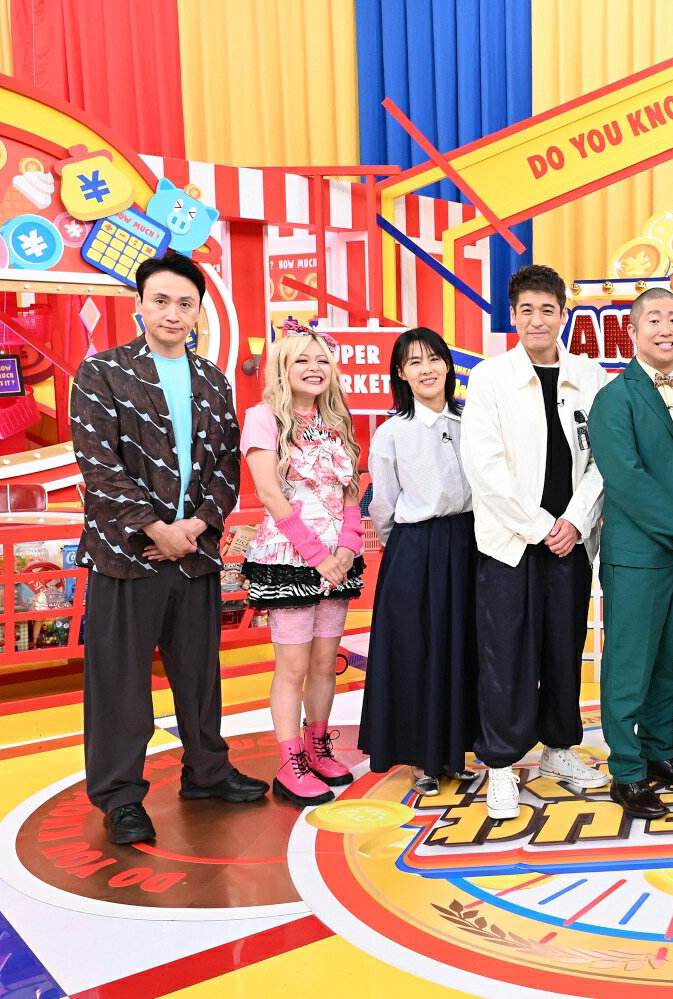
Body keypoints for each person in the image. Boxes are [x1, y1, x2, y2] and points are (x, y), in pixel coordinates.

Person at [71, 250, 267, 845]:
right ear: (139, 304)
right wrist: (157, 528)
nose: (173, 313)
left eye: (186, 303)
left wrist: (197, 526)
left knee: (200, 676)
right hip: (126, 555)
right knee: (120, 683)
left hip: (195, 554)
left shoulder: (212, 380)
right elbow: (99, 466)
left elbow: (227, 465)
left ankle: (206, 771)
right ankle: (120, 796)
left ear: (199, 312)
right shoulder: (102, 372)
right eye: (161, 300)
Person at [461, 265, 609, 820]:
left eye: (548, 309)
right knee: (505, 652)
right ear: (513, 316)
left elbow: (602, 460)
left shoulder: (589, 375)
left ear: (564, 314)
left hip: (571, 541)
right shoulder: (490, 378)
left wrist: (573, 521)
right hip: (509, 542)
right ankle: (501, 764)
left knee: (563, 647)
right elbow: (485, 467)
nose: (538, 320)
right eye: (527, 310)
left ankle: (558, 749)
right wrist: (541, 525)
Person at [588, 287, 673, 819]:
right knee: (630, 663)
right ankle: (626, 771)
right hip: (637, 555)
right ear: (633, 331)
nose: (666, 329)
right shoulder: (614, 398)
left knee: (668, 658)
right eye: (655, 320)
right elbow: (625, 477)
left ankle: (659, 752)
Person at [242, 320, 366, 807]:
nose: (314, 369)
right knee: (292, 666)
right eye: (302, 360)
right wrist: (317, 556)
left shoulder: (337, 420)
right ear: (282, 368)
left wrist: (348, 546)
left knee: (324, 664)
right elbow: (269, 494)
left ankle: (318, 747)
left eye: (322, 361)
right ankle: (289, 762)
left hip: (338, 561)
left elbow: (352, 490)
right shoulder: (263, 418)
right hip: (291, 559)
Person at [358, 328, 478, 798]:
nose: (426, 369)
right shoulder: (392, 432)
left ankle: (456, 753)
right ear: (401, 373)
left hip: (469, 543)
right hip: (415, 548)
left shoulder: (471, 421)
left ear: (448, 365)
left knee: (463, 648)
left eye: (434, 358)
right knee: (417, 650)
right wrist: (409, 548)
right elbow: (383, 504)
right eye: (414, 362)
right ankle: (421, 757)